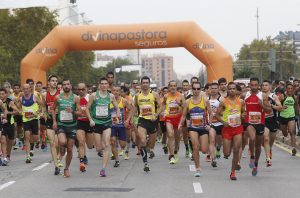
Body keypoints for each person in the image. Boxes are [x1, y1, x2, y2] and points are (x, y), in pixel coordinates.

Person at [86, 77, 120, 177]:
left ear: (108, 85)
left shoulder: (111, 96)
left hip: (107, 123)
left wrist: (117, 116)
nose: (104, 85)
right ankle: (99, 151)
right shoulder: (93, 96)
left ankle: (103, 168)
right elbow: (87, 109)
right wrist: (91, 120)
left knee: (106, 144)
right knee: (98, 147)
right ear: (99, 85)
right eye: (102, 84)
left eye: (106, 84)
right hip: (96, 123)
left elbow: (117, 108)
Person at [179, 81, 213, 177]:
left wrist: (209, 124)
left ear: (201, 89)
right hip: (192, 128)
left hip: (203, 127)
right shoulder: (187, 102)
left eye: (198, 89)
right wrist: (180, 124)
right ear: (191, 89)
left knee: (204, 150)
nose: (196, 91)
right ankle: (198, 168)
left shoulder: (205, 100)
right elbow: (184, 115)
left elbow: (211, 114)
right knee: (195, 147)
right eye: (194, 89)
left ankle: (202, 149)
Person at [242, 77, 272, 176]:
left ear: (258, 85)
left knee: (258, 146)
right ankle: (252, 156)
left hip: (260, 123)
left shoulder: (263, 96)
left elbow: (269, 111)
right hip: (249, 122)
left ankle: (256, 164)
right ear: (249, 85)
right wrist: (242, 113)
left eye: (256, 85)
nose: (254, 87)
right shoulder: (245, 95)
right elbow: (240, 107)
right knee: (252, 137)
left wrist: (262, 105)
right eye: (252, 85)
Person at [52, 79, 81, 177]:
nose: (66, 86)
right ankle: (61, 148)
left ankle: (66, 168)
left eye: (68, 84)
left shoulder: (75, 98)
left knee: (69, 148)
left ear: (71, 86)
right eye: (64, 84)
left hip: (72, 125)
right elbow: (53, 109)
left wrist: (72, 111)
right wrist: (54, 121)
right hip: (61, 124)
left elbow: (80, 112)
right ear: (62, 86)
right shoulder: (57, 97)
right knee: (63, 142)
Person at [216, 82, 244, 180]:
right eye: (230, 89)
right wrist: (223, 122)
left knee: (237, 149)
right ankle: (229, 148)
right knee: (227, 153)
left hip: (237, 128)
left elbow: (243, 112)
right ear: (228, 90)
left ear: (236, 90)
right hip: (227, 129)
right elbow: (217, 115)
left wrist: (243, 116)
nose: (232, 90)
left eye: (233, 88)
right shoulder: (223, 102)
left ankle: (233, 172)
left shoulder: (241, 102)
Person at [134, 76, 162, 172]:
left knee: (151, 144)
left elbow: (160, 107)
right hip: (142, 120)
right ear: (141, 84)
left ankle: (151, 150)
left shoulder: (154, 94)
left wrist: (156, 114)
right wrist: (131, 117)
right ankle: (145, 163)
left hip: (152, 120)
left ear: (149, 84)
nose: (145, 84)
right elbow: (134, 107)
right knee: (142, 141)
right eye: (143, 82)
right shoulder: (137, 95)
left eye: (147, 82)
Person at [16, 84, 42, 163]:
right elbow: (18, 106)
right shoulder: (21, 98)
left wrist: (37, 112)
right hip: (26, 120)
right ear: (23, 90)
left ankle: (32, 146)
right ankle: (28, 156)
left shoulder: (34, 96)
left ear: (30, 89)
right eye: (24, 89)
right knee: (27, 136)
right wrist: (20, 111)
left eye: (27, 88)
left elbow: (41, 104)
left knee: (35, 137)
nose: (26, 90)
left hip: (34, 119)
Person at [42, 75, 62, 175]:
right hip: (50, 120)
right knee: (52, 143)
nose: (54, 82)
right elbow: (43, 106)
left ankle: (58, 157)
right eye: (52, 81)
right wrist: (45, 114)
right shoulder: (45, 95)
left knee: (59, 143)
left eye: (56, 81)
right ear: (49, 83)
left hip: (60, 119)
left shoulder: (61, 93)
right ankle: (56, 166)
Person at [110, 85, 133, 167]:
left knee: (122, 144)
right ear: (111, 91)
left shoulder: (124, 101)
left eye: (117, 91)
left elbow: (131, 110)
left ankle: (122, 149)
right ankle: (116, 160)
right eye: (114, 90)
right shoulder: (108, 100)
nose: (115, 92)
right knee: (112, 141)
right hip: (111, 125)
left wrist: (128, 120)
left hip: (121, 126)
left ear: (120, 92)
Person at [261, 80, 283, 165]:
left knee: (271, 140)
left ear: (270, 86)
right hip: (263, 121)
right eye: (263, 85)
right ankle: (268, 158)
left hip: (273, 121)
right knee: (266, 138)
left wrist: (271, 106)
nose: (264, 87)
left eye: (266, 85)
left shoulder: (274, 96)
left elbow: (280, 107)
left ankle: (269, 150)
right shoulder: (259, 96)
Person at [163, 81, 185, 164]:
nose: (173, 87)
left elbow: (185, 107)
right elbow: (163, 105)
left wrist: (180, 104)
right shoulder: (166, 96)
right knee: (170, 134)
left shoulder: (181, 96)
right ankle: (171, 155)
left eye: (174, 86)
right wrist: (159, 113)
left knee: (177, 137)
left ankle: (175, 150)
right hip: (169, 118)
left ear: (176, 87)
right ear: (169, 87)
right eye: (171, 86)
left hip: (178, 118)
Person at [76, 83, 94, 172]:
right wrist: (74, 112)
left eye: (83, 89)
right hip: (79, 122)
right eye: (79, 89)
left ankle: (84, 154)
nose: (81, 91)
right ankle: (82, 162)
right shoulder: (76, 98)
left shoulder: (90, 97)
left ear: (86, 89)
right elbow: (73, 111)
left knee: (90, 146)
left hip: (89, 123)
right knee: (81, 142)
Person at [0, 88, 20, 165]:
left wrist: (8, 112)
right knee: (3, 140)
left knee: (10, 141)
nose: (1, 95)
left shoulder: (9, 102)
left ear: (6, 94)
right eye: (0, 94)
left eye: (2, 94)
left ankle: (8, 155)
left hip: (10, 124)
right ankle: (5, 157)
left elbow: (17, 111)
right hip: (2, 124)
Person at [278, 83, 299, 156]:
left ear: (293, 89)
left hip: (291, 116)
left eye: (291, 88)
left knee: (292, 132)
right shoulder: (283, 97)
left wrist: (297, 114)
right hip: (283, 117)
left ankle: (294, 148)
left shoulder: (294, 97)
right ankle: (285, 132)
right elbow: (278, 105)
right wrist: (280, 107)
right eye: (288, 88)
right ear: (286, 89)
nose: (290, 90)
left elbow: (296, 106)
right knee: (285, 134)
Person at [208, 82, 224, 165]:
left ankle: (218, 149)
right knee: (211, 140)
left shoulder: (222, 99)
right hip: (211, 124)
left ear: (218, 89)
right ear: (209, 89)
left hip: (220, 123)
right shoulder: (207, 99)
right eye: (212, 88)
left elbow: (226, 110)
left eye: (215, 88)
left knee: (219, 142)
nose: (213, 90)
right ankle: (213, 159)